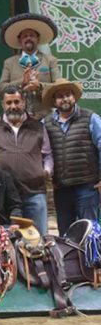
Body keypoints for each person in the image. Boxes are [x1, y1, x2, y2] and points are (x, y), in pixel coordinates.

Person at [0, 86, 54, 234]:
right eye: (9, 103)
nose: (13, 106)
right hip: (2, 197)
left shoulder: (39, 127)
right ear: (2, 105)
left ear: (24, 102)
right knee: (5, 244)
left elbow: (47, 155)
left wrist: (46, 171)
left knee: (39, 241)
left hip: (34, 193)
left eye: (17, 102)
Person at [42, 79, 101, 235]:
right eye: (60, 96)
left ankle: (93, 261)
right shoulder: (45, 123)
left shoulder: (91, 118)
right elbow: (42, 153)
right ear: (54, 101)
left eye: (68, 94)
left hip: (87, 186)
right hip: (61, 188)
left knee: (90, 233)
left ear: (74, 97)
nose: (65, 99)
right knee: (65, 235)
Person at [0, 13, 60, 119]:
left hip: (46, 118)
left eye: (32, 35)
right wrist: (22, 82)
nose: (28, 38)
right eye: (25, 36)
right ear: (19, 40)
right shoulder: (9, 62)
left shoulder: (50, 60)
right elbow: (0, 89)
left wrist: (39, 86)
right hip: (18, 118)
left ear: (38, 39)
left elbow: (59, 87)